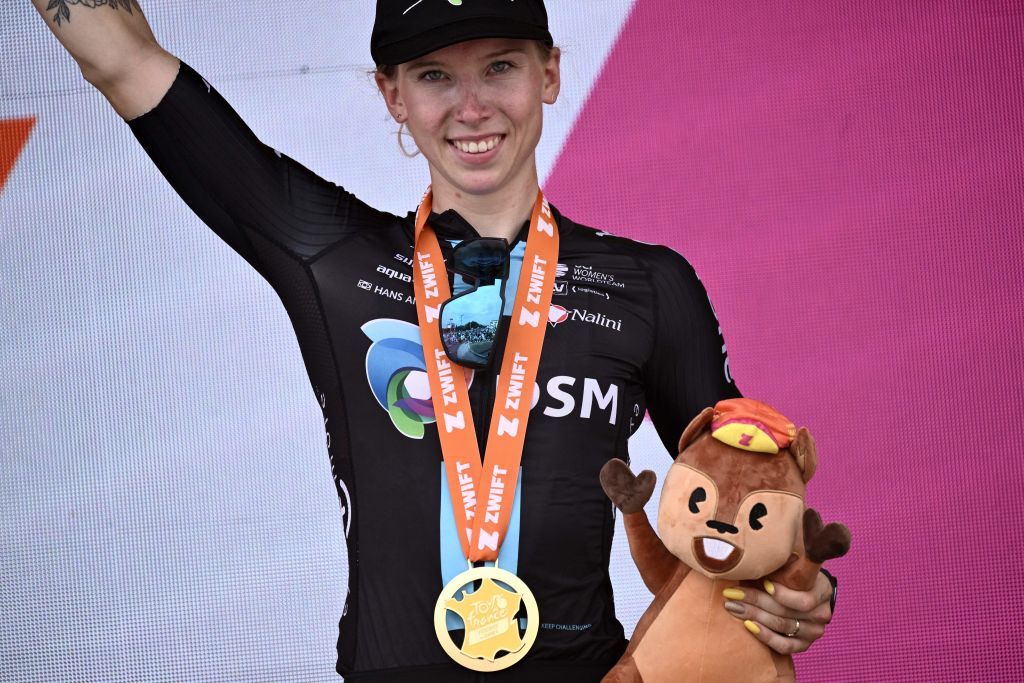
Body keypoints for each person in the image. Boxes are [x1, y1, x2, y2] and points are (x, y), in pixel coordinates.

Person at [32, 0, 838, 680]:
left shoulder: (647, 285)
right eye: (433, 76)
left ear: (549, 72)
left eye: (500, 67)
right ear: (392, 95)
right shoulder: (332, 254)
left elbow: (748, 487)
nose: (472, 106)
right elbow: (126, 65)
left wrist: (798, 587)